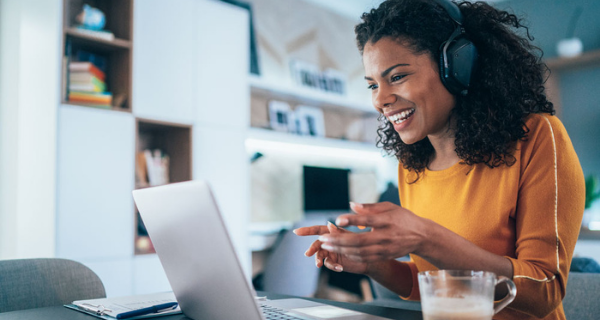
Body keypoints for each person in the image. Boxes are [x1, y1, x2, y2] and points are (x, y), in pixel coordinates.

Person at [293, 1, 585, 319]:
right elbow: (438, 287)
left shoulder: (537, 136)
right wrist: (372, 264)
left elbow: (544, 288)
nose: (379, 99)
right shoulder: (412, 165)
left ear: (456, 66)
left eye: (398, 76)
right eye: (373, 85)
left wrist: (424, 237)